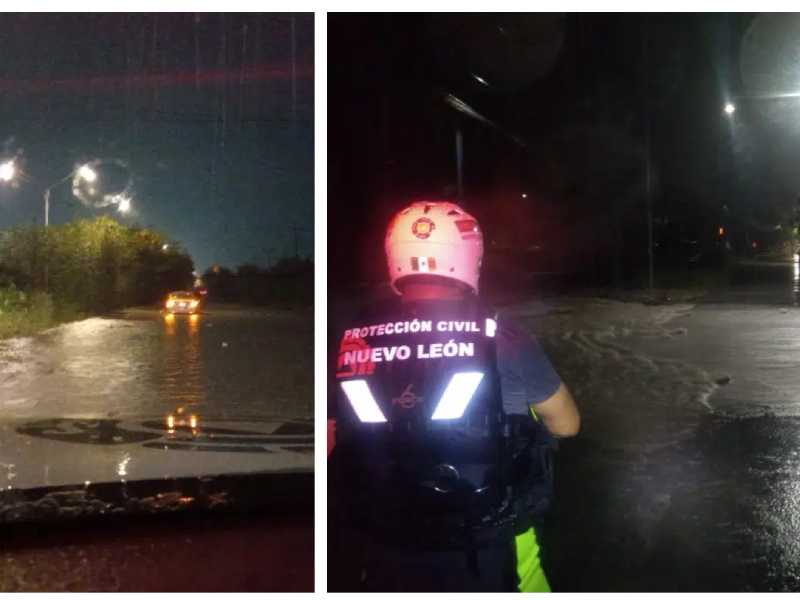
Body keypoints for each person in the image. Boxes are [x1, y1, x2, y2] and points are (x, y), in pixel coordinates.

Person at [328, 200, 580, 592]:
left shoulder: (351, 341)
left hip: (382, 543)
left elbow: (333, 440)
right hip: (486, 543)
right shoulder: (501, 334)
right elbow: (568, 424)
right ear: (470, 258)